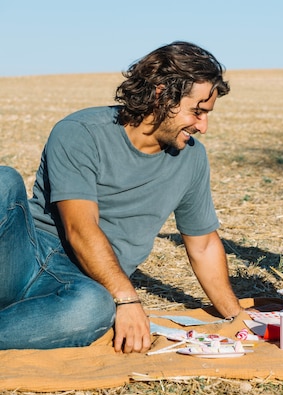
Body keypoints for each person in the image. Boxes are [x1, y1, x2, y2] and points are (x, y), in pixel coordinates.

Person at [0, 41, 244, 353]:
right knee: (3, 179)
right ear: (161, 95)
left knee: (94, 309)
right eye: (197, 112)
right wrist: (127, 299)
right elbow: (80, 228)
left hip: (83, 285)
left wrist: (236, 315)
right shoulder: (81, 131)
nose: (203, 126)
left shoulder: (192, 159)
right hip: (22, 257)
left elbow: (204, 244)